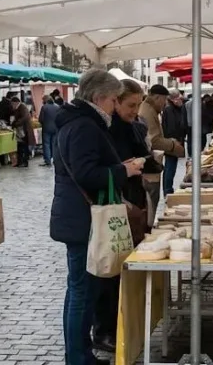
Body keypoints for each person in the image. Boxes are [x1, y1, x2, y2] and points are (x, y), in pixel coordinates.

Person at [50, 69, 145, 365]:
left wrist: (118, 165)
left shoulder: (79, 122)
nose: (115, 105)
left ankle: (78, 352)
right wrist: (123, 170)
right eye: (114, 99)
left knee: (79, 288)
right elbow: (86, 173)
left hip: (78, 217)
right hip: (83, 220)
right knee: (81, 291)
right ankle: (78, 358)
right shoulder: (84, 125)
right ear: (99, 97)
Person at [94, 79, 162, 353]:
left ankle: (125, 321)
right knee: (110, 269)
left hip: (135, 201)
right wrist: (127, 167)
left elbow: (149, 161)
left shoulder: (136, 127)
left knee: (128, 266)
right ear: (116, 102)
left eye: (138, 104)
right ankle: (104, 329)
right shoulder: (105, 130)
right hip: (113, 203)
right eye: (130, 105)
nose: (136, 110)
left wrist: (147, 159)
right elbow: (104, 169)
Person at [138, 85, 183, 206]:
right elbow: (153, 140)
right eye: (164, 100)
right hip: (148, 166)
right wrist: (173, 145)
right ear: (157, 98)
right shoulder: (147, 111)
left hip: (150, 164)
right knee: (150, 202)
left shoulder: (150, 109)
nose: (164, 104)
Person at [160, 91, 190, 195]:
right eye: (179, 99)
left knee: (171, 166)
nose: (181, 100)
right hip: (172, 142)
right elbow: (173, 128)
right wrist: (176, 140)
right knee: (170, 166)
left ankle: (168, 189)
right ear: (173, 99)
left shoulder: (177, 109)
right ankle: (167, 190)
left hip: (175, 141)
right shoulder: (169, 110)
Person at [39, 94, 62, 167]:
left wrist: (44, 123)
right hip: (55, 129)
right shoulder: (57, 107)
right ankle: (55, 160)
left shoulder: (44, 107)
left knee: (46, 144)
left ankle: (47, 161)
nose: (42, 101)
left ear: (45, 100)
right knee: (54, 144)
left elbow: (41, 119)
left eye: (43, 100)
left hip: (46, 129)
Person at [11, 96, 33, 168]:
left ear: (15, 103)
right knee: (19, 146)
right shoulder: (18, 108)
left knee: (24, 146)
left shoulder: (22, 107)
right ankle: (20, 161)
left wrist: (16, 123)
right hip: (20, 130)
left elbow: (25, 117)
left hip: (24, 130)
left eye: (12, 104)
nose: (12, 106)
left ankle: (25, 162)